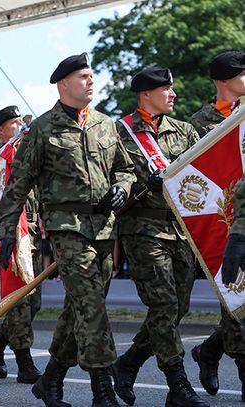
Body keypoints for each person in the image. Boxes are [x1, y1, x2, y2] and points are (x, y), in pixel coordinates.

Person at [0, 53, 135, 407]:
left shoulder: (106, 125)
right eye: (83, 76)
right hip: (66, 228)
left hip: (104, 229)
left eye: (91, 76)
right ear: (63, 84)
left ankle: (51, 379)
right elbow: (18, 182)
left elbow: (125, 168)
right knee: (92, 307)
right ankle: (102, 390)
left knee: (81, 306)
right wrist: (7, 229)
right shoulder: (42, 129)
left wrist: (123, 185)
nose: (91, 81)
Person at [112, 67, 208, 407]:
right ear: (145, 95)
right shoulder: (118, 133)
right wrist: (138, 186)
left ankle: (130, 361)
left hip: (180, 231)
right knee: (164, 304)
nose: (173, 94)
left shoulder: (184, 130)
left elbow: (203, 172)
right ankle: (178, 385)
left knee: (176, 308)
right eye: (166, 89)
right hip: (143, 230)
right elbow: (112, 179)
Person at [189, 50, 245, 400]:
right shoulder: (199, 124)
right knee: (235, 299)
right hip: (225, 225)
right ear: (225, 80)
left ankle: (208, 351)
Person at [0, 105, 42, 384]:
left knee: (34, 304)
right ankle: (25, 362)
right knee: (20, 301)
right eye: (13, 122)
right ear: (0, 131)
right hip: (11, 238)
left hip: (32, 236)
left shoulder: (29, 155)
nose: (19, 124)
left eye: (20, 119)